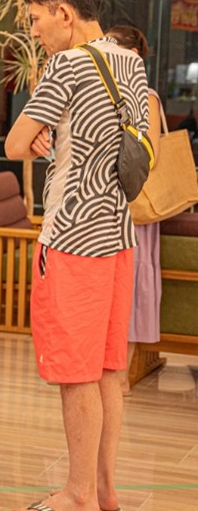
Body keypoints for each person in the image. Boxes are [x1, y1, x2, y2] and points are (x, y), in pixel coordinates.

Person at [5, 0, 149, 511]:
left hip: (72, 239)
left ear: (63, 13)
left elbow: (15, 143)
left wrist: (40, 136)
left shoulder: (65, 65)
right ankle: (105, 490)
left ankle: (78, 493)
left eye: (36, 19)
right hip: (119, 236)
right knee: (109, 371)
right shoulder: (130, 62)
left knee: (75, 374)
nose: (34, 31)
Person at [105, 25, 163, 395]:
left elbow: (149, 153)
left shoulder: (147, 96)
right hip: (111, 201)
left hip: (135, 204)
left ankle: (121, 373)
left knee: (131, 284)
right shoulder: (105, 90)